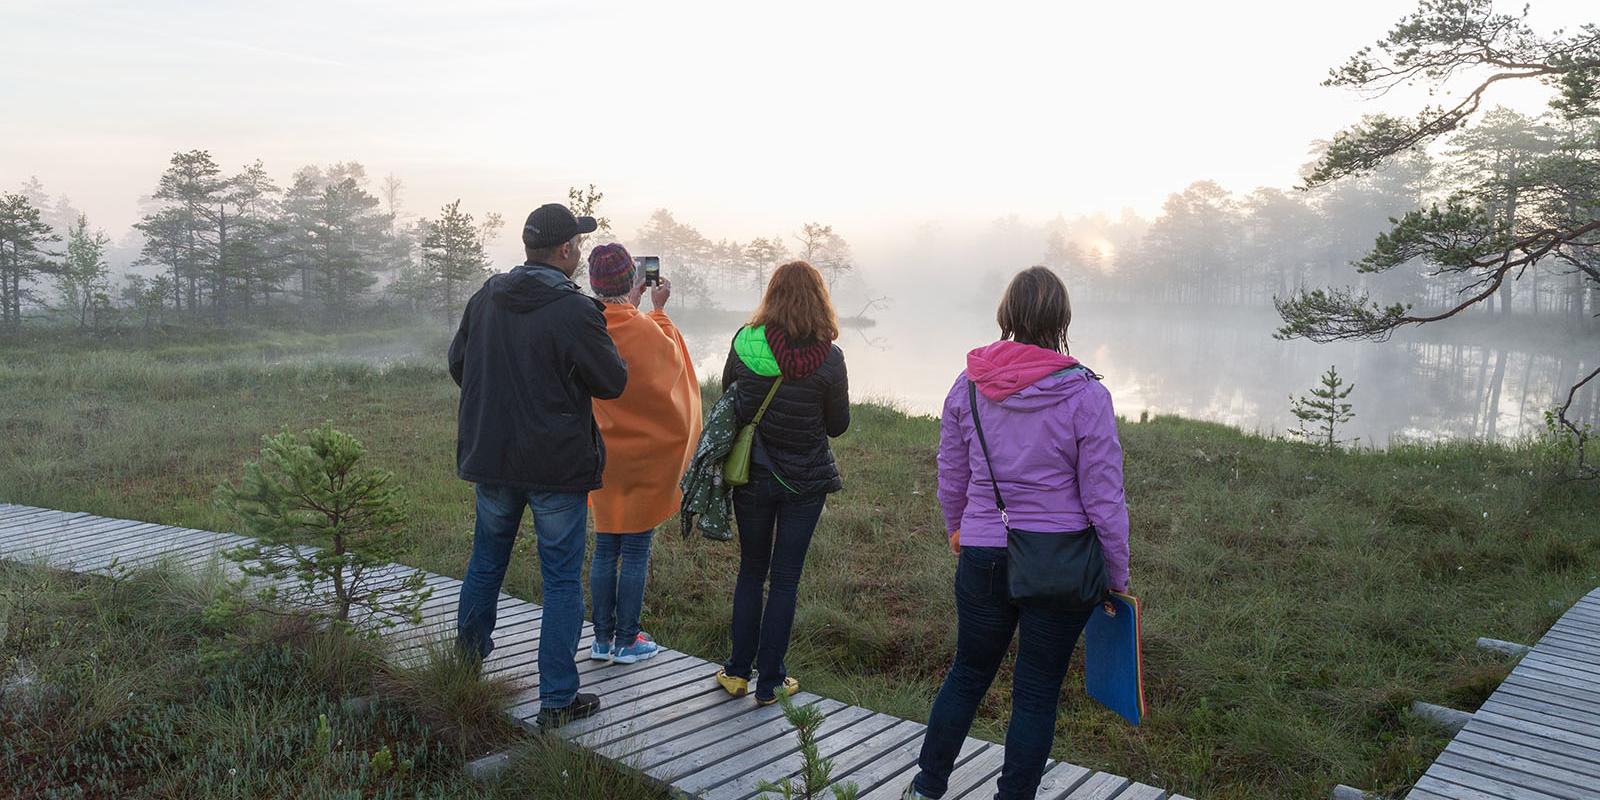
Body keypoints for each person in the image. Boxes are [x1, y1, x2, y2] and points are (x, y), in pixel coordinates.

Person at [903, 266, 1132, 800]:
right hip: (1061, 562)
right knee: (1035, 693)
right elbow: (1104, 497)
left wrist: (958, 529)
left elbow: (950, 470)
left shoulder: (969, 383)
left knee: (967, 673)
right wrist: (1115, 573)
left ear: (1006, 315)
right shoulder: (1086, 394)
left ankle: (926, 786)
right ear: (1062, 319)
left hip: (983, 551)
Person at [448, 203, 627, 728]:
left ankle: (463, 669)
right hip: (557, 468)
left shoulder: (486, 297)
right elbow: (612, 382)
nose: (579, 250)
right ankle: (557, 701)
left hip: (493, 458)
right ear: (567, 251)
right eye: (578, 244)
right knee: (561, 582)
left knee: (485, 563)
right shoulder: (576, 311)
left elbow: (459, 364)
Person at [713, 261, 850, 706]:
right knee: (785, 579)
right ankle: (771, 682)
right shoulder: (830, 358)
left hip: (751, 475)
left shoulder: (744, 343)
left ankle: (736, 673)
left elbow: (728, 401)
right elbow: (838, 426)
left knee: (751, 570)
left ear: (771, 296)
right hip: (804, 483)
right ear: (819, 300)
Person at [583, 243, 703, 666]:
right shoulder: (648, 329)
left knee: (605, 548)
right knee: (634, 551)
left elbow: (616, 325)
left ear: (593, 283)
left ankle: (600, 640)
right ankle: (627, 639)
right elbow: (670, 359)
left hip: (602, 459)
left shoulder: (586, 326)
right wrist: (658, 307)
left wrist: (630, 305)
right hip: (646, 463)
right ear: (631, 280)